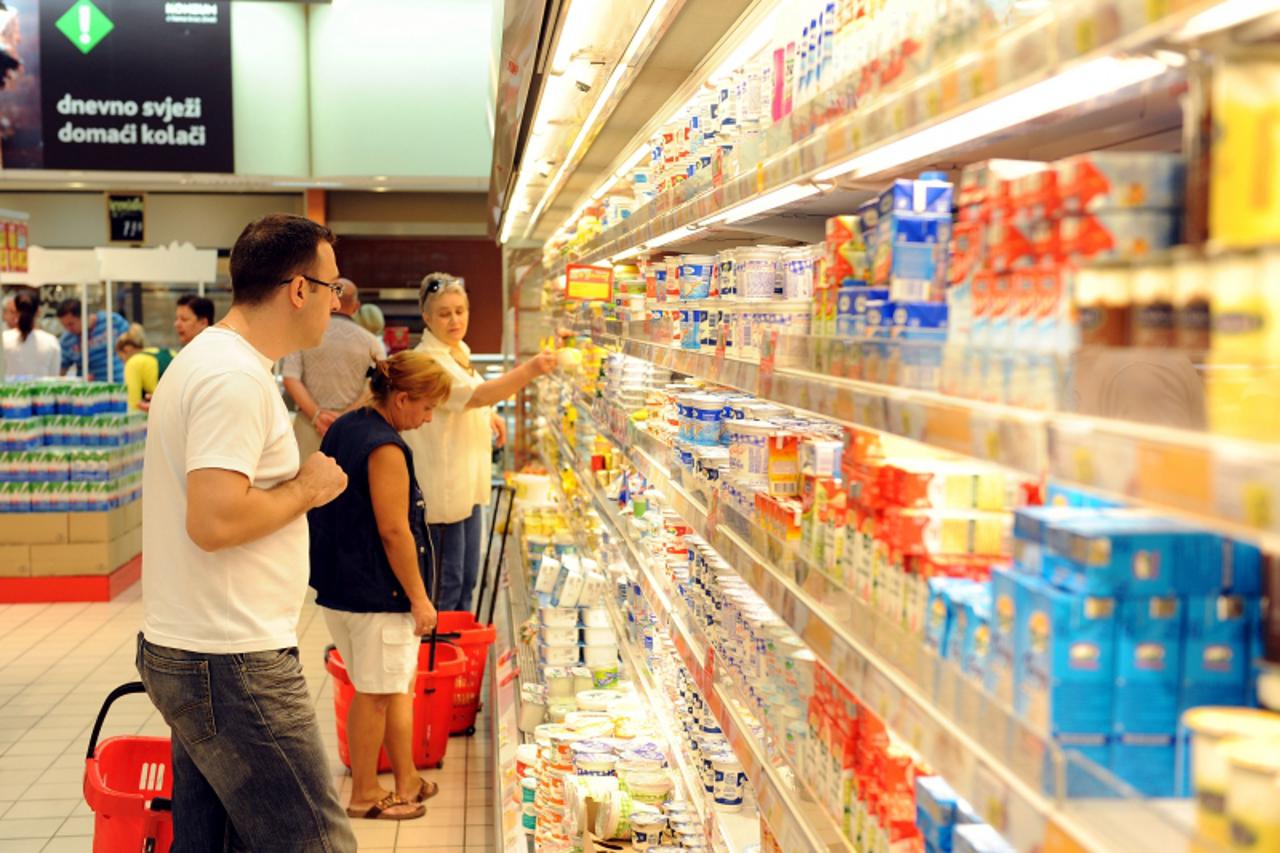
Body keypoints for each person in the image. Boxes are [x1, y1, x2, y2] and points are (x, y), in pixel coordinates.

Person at [136, 213, 357, 853]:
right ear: (298, 289)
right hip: (230, 660)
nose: (336, 302)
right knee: (316, 841)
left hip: (200, 647)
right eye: (332, 287)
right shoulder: (233, 378)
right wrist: (308, 489)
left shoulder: (213, 361)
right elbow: (214, 520)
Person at [309, 351, 451, 821]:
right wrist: (419, 597)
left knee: (391, 689)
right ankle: (366, 794)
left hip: (341, 586)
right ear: (403, 398)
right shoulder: (385, 448)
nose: (428, 419)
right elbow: (394, 531)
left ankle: (406, 778)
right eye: (427, 408)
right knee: (373, 694)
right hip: (378, 593)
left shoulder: (346, 426)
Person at [401, 273, 556, 613]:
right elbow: (473, 395)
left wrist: (489, 415)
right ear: (427, 318)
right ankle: (440, 654)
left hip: (468, 489)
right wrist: (530, 369)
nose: (455, 320)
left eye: (460, 310)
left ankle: (461, 653)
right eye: (444, 313)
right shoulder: (428, 361)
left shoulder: (460, 352)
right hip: (442, 497)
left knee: (469, 579)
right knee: (447, 585)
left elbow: (471, 401)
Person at [283, 278, 387, 459]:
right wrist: (344, 416)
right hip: (354, 429)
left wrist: (317, 415)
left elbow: (290, 378)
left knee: (302, 482)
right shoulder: (371, 342)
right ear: (356, 307)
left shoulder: (302, 334)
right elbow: (376, 385)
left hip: (308, 428)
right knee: (348, 483)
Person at [56, 297, 127, 381]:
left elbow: (132, 348)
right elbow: (61, 370)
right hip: (88, 389)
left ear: (84, 316)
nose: (68, 329)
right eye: (64, 326)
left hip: (118, 383)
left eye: (71, 324)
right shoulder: (66, 340)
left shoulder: (113, 322)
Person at [115, 324, 177, 412]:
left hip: (167, 410)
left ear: (127, 350)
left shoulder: (133, 363)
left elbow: (134, 405)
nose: (123, 363)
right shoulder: (169, 352)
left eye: (121, 359)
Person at [3, 287, 61, 378]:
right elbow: (54, 377)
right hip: (42, 392)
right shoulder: (50, 341)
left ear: (16, 311)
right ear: (38, 311)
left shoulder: (4, 339)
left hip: (9, 392)